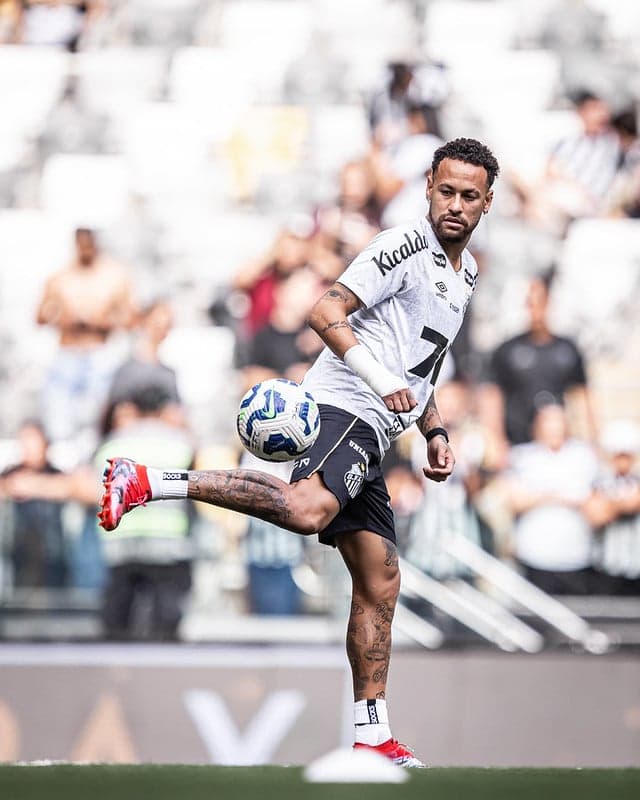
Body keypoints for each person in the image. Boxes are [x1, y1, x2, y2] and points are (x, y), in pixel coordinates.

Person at [98, 137, 499, 768]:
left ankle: (373, 736)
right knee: (307, 509)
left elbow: (422, 366)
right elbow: (325, 309)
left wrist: (436, 431)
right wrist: (378, 379)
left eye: (468, 196)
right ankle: (148, 479)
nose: (454, 204)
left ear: (486, 203)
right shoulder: (402, 247)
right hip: (346, 409)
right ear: (427, 187)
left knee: (380, 577)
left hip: (378, 425)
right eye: (445, 190)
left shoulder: (466, 273)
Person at [36, 227, 136, 445]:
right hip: (68, 354)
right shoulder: (61, 277)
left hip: (98, 354)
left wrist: (100, 320)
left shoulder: (113, 276)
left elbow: (130, 318)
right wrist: (64, 317)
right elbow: (40, 316)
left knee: (95, 420)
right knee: (59, 421)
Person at [479, 272, 596, 455]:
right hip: (519, 447)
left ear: (549, 303)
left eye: (539, 302)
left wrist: (592, 442)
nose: (535, 310)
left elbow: (582, 399)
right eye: (529, 304)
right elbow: (492, 398)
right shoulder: (507, 350)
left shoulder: (567, 349)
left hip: (559, 449)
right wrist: (497, 442)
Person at [505, 404, 600, 595]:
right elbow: (516, 501)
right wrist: (563, 495)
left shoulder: (584, 455)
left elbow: (593, 502)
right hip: (535, 555)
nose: (554, 427)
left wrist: (543, 494)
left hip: (577, 555)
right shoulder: (522, 456)